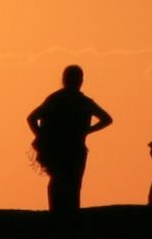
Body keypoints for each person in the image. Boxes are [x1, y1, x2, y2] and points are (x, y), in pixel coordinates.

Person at [28, 65, 112, 213]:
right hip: (74, 148)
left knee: (58, 181)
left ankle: (58, 214)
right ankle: (68, 215)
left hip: (61, 148)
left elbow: (32, 118)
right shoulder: (83, 102)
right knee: (72, 183)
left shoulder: (55, 99)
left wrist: (42, 137)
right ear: (81, 81)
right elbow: (106, 119)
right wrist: (86, 131)